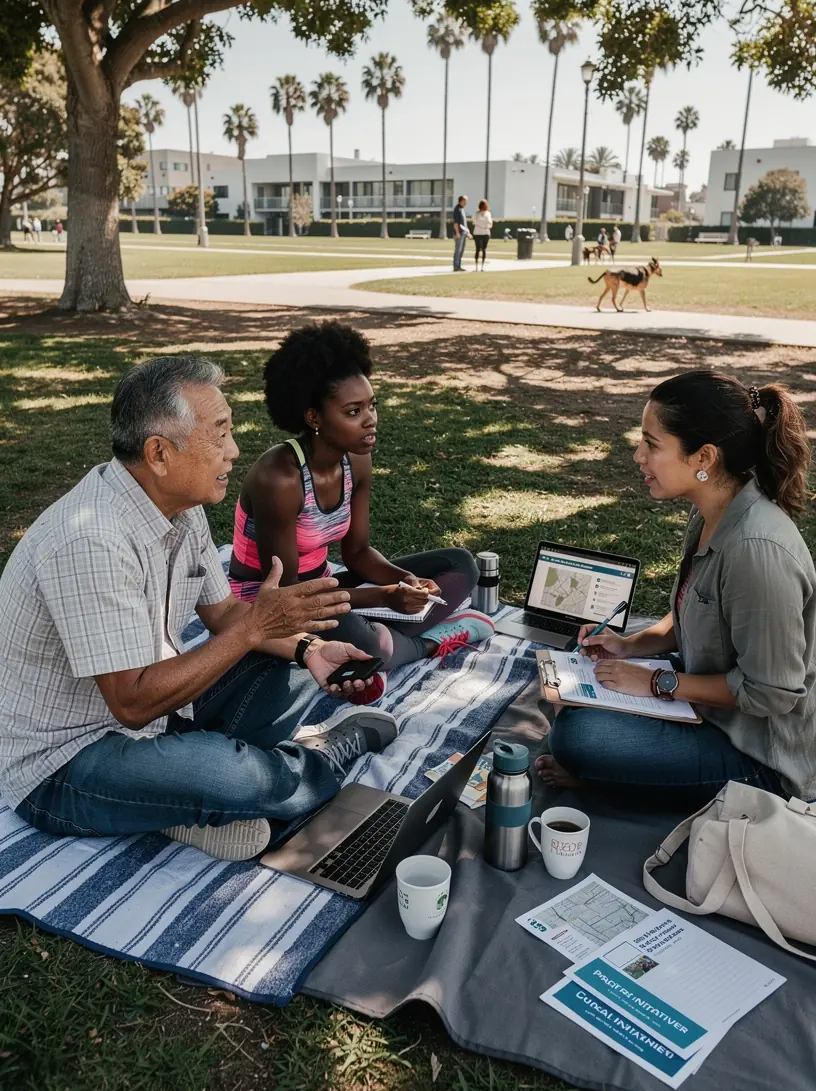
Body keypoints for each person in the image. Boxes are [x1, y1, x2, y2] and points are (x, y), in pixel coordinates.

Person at [0, 356, 400, 863]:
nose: (234, 452)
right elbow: (133, 702)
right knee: (233, 775)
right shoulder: (89, 541)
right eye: (219, 435)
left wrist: (308, 650)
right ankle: (311, 762)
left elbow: (226, 615)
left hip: (157, 721)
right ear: (160, 453)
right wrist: (255, 627)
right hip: (66, 764)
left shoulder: (179, 508)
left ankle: (176, 805)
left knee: (298, 665)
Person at [538, 369, 816, 809]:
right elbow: (693, 610)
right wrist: (630, 647)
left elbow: (772, 693)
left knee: (577, 737)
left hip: (759, 756)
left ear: (703, 458)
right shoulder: (710, 512)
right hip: (705, 707)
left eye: (651, 444)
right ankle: (622, 769)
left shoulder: (757, 552)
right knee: (572, 678)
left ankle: (609, 778)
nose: (637, 456)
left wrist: (658, 682)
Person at [228, 322, 492, 680]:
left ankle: (386, 637)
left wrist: (407, 581)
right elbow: (289, 596)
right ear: (314, 417)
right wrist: (385, 597)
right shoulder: (280, 478)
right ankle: (424, 643)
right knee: (363, 646)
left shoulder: (356, 460)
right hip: (268, 606)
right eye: (353, 412)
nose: (370, 420)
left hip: (326, 586)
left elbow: (358, 553)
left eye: (372, 405)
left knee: (461, 564)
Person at [472, 199, 493, 270]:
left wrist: (488, 226)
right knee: (478, 249)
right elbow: (474, 222)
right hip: (477, 233)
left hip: (486, 233)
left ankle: (482, 266)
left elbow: (490, 222)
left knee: (484, 249)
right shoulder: (477, 214)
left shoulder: (488, 213)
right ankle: (476, 266)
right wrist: (482, 225)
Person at [452, 194, 470, 271]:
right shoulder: (457, 209)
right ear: (462, 201)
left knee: (461, 250)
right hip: (459, 233)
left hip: (463, 232)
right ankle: (456, 266)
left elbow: (464, 223)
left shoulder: (462, 209)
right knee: (458, 250)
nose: (466, 202)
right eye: (466, 201)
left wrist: (468, 232)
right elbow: (456, 222)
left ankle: (459, 265)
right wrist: (457, 232)